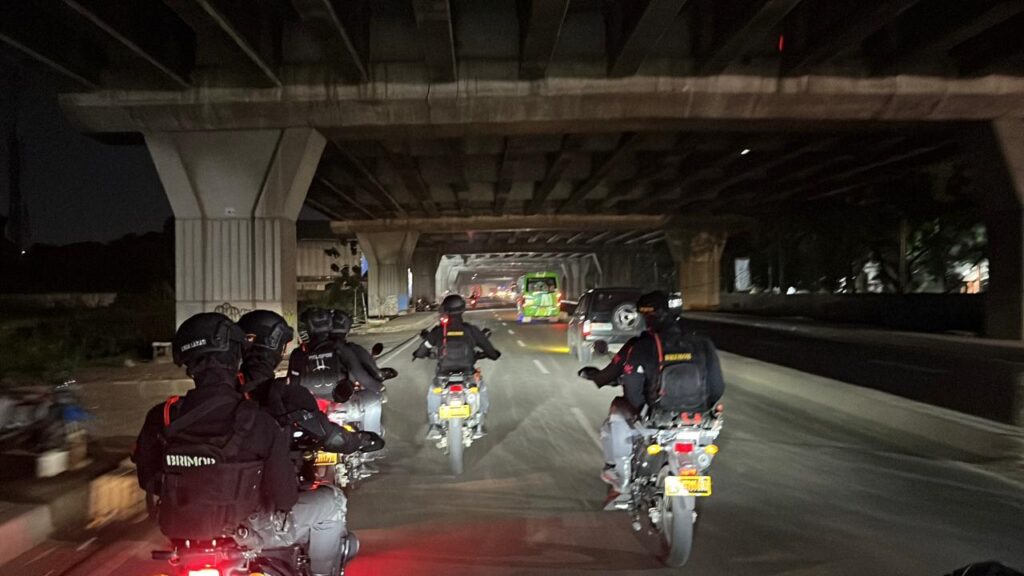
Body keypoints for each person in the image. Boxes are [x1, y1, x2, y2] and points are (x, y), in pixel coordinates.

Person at [132, 312, 362, 576]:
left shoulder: (162, 416)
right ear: (235, 355)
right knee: (332, 502)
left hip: (182, 532)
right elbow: (284, 497)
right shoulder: (258, 420)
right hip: (247, 532)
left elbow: (148, 480)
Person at [578, 291, 725, 489]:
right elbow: (717, 387)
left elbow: (632, 388)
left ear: (646, 317)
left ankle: (620, 474)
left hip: (658, 417)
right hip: (698, 418)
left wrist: (643, 412)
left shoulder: (641, 346)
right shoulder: (703, 343)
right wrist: (701, 407)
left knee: (617, 411)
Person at [237, 309, 382, 454]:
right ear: (272, 342)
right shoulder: (279, 392)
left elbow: (294, 378)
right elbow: (331, 437)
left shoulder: (232, 381)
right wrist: (360, 440)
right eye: (282, 345)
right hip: (266, 462)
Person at [412, 294, 500, 440]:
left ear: (445, 310)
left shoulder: (438, 331)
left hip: (443, 375)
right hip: (468, 374)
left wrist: (420, 354)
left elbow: (422, 350)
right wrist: (492, 354)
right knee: (481, 388)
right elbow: (490, 350)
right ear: (462, 310)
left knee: (434, 391)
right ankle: (479, 424)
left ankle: (435, 425)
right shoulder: (471, 330)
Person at [327, 309, 386, 437]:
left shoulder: (309, 351)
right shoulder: (351, 349)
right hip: (344, 401)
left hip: (317, 405)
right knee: (373, 401)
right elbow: (366, 373)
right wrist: (379, 387)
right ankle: (371, 440)